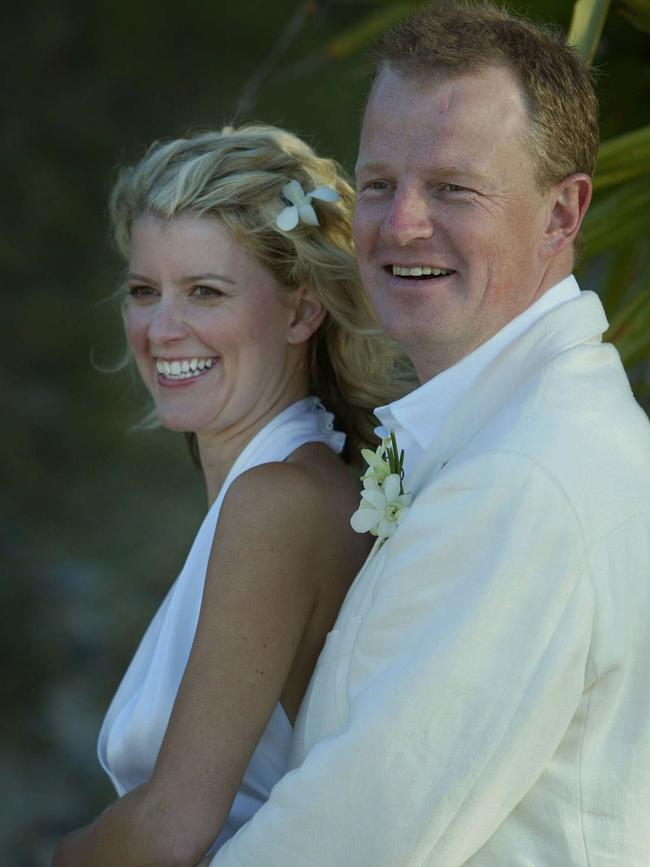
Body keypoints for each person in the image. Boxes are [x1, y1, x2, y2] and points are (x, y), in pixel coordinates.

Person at [203, 3, 650, 866]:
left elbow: (344, 846)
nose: (401, 224)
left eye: (453, 188)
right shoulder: (529, 432)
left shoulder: (525, 479)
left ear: (563, 214)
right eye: (379, 184)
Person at [52, 123, 412, 867]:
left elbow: (172, 830)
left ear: (301, 311)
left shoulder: (278, 500)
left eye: (204, 292)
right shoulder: (282, 486)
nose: (161, 328)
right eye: (144, 291)